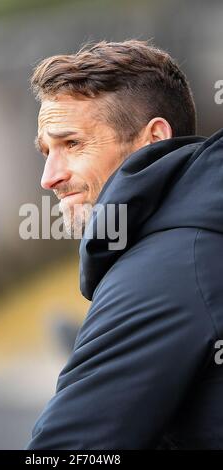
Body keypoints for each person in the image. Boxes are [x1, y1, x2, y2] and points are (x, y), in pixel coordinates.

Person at [26, 40, 223, 449]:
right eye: (47, 152)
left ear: (153, 139)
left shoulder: (169, 270)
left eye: (72, 144)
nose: (49, 177)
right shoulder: (199, 234)